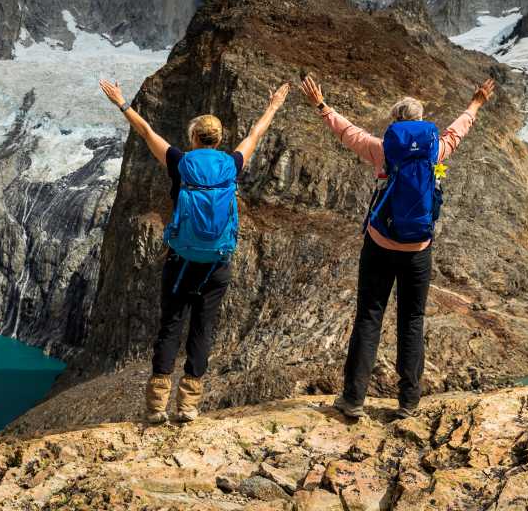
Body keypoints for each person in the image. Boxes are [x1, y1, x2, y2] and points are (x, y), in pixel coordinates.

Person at [299, 74, 496, 419]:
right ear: (421, 122)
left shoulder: (382, 149)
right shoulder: (437, 149)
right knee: (412, 320)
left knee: (369, 317)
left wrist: (321, 105)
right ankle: (408, 403)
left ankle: (353, 399)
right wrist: (476, 102)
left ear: (395, 123)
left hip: (379, 243)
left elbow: (348, 132)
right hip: (419, 248)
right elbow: (459, 129)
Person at [99, 78, 290, 423]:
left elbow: (146, 132)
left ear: (193, 138)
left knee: (171, 325)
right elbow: (256, 135)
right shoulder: (231, 164)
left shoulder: (180, 162)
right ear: (219, 139)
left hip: (182, 260)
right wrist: (274, 105)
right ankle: (188, 406)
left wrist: (121, 103)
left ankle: (157, 407)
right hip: (217, 262)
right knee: (203, 328)